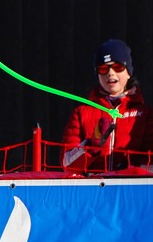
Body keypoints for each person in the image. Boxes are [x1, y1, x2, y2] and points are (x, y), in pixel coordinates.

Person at [62, 38, 153, 172]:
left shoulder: (145, 115)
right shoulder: (81, 113)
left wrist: (128, 170)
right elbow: (67, 165)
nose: (110, 73)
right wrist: (91, 145)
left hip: (130, 189)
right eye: (103, 68)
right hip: (94, 190)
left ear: (128, 72)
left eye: (118, 67)